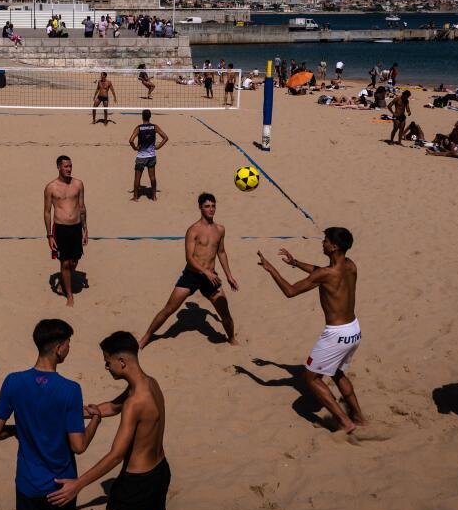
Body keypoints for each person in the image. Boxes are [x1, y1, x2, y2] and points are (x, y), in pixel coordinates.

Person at [47, 332, 190, 510]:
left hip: (136, 482)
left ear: (121, 361)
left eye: (107, 362)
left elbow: (116, 455)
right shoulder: (149, 384)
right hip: (159, 470)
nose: (106, 367)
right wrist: (76, 412)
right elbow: (112, 407)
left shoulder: (135, 402)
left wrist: (78, 484)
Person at [0, 319, 101, 510]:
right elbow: (79, 445)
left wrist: (22, 429)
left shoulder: (13, 381)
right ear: (59, 347)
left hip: (28, 483)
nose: (69, 349)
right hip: (62, 486)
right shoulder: (70, 390)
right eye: (69, 344)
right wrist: (95, 420)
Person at [257, 227, 366, 433]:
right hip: (354, 330)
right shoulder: (351, 266)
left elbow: (290, 291)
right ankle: (359, 417)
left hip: (336, 334)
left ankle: (344, 421)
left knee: (311, 378)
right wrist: (296, 263)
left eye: (325, 241)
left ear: (334, 247)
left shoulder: (326, 274)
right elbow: (322, 273)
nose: (322, 243)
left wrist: (272, 269)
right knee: (337, 372)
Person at [140, 193, 239, 347]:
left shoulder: (220, 229)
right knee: (168, 309)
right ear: (200, 207)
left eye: (213, 206)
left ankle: (232, 339)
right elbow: (189, 258)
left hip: (211, 277)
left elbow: (221, 252)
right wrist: (205, 271)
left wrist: (229, 276)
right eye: (207, 206)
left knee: (225, 314)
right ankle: (146, 337)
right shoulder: (193, 230)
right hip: (192, 275)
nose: (211, 209)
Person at [44, 156, 87, 307]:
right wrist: (49, 235)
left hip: (76, 227)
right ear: (59, 167)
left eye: (70, 166)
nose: (69, 169)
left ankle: (63, 281)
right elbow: (47, 212)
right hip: (60, 228)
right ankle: (69, 295)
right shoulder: (51, 187)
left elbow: (82, 208)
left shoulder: (78, 184)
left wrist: (85, 229)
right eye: (66, 166)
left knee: (75, 260)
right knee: (65, 263)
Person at [129, 109, 168, 202]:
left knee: (137, 178)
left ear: (142, 116)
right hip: (151, 156)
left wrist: (135, 148)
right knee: (153, 177)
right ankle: (154, 197)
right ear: (150, 116)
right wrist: (158, 146)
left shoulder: (139, 127)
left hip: (141, 156)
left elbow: (131, 140)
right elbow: (166, 138)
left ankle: (135, 197)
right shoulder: (155, 127)